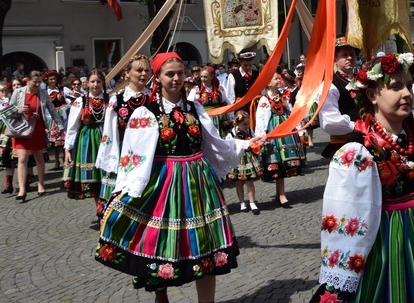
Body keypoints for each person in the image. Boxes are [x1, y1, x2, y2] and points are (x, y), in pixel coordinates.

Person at [95, 52, 253, 301]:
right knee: (160, 242)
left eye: (180, 72)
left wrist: (245, 144)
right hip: (163, 182)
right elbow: (135, 160)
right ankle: (161, 295)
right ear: (157, 77)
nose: (176, 78)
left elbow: (214, 144)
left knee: (206, 246)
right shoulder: (145, 113)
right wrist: (125, 192)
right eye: (170, 74)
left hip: (198, 182)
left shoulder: (195, 107)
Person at [311, 53, 414, 302]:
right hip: (388, 246)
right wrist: (341, 278)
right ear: (372, 95)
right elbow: (345, 219)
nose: (406, 93)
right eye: (395, 87)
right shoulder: (358, 152)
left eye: (408, 85)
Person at [95, 54, 152, 216]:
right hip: (124, 154)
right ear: (127, 73)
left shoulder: (154, 97)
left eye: (147, 71)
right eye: (139, 70)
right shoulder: (117, 100)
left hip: (150, 154)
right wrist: (111, 159)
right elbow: (109, 134)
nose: (143, 74)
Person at [8, 70, 63, 202]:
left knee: (39, 158)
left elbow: (52, 110)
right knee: (22, 158)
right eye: (35, 82)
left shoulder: (42, 93)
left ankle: (41, 183)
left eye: (39, 82)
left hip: (37, 128)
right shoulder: (18, 92)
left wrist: (59, 125)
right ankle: (22, 189)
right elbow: (9, 110)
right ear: (28, 80)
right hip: (21, 129)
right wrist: (18, 110)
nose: (37, 84)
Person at [255, 73, 304, 208]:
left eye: (279, 78)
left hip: (285, 129)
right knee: (276, 161)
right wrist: (261, 136)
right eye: (276, 78)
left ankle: (280, 193)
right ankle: (281, 194)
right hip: (273, 131)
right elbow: (261, 119)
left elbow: (291, 111)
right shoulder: (264, 100)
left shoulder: (284, 96)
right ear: (269, 84)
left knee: (283, 161)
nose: (279, 80)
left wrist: (299, 127)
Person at [63, 69, 108, 216]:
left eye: (98, 81)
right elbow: (72, 126)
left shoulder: (110, 99)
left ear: (103, 83)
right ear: (87, 83)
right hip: (87, 139)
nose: (95, 84)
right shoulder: (80, 101)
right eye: (93, 81)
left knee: (107, 173)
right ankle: (99, 205)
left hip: (106, 138)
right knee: (94, 175)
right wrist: (67, 148)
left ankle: (106, 202)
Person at [319, 38, 360, 159]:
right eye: (345, 55)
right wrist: (355, 126)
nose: (349, 58)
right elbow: (329, 121)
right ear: (335, 59)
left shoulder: (361, 80)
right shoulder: (330, 85)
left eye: (352, 54)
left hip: (365, 139)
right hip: (343, 143)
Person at [226, 110, 264, 214]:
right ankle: (242, 202)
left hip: (248, 157)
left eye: (248, 124)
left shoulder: (250, 131)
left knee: (250, 181)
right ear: (237, 123)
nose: (247, 126)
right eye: (244, 124)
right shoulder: (231, 134)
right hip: (238, 159)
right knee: (239, 182)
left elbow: (254, 141)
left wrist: (260, 142)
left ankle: (252, 202)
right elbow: (228, 146)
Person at [188, 65, 232, 137]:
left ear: (212, 77)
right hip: (203, 118)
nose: (203, 79)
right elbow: (189, 104)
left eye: (205, 77)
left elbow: (225, 102)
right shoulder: (196, 89)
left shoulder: (219, 89)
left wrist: (230, 117)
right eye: (201, 76)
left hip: (219, 119)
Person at [43, 70, 69, 169]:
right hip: (52, 118)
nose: (53, 81)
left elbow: (70, 100)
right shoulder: (45, 92)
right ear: (47, 81)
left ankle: (64, 160)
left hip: (62, 118)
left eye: (54, 79)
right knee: (55, 142)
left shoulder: (63, 89)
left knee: (63, 140)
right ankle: (57, 161)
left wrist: (63, 108)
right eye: (50, 79)